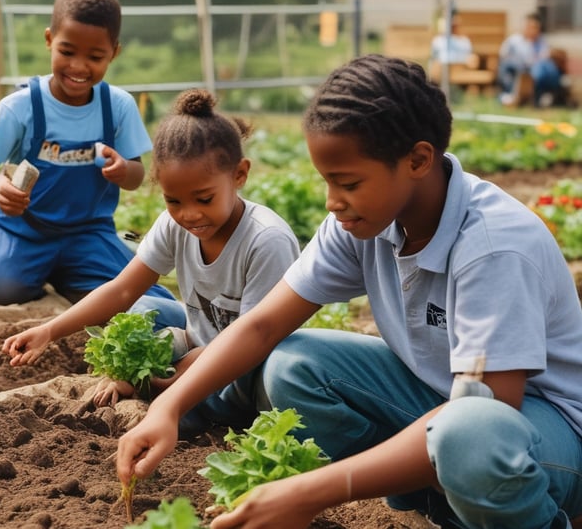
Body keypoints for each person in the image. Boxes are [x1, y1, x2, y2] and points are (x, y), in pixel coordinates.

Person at [116, 55, 582, 529]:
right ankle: (439, 494)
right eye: (327, 181)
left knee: (468, 439)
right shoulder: (362, 220)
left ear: (418, 160)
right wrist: (169, 407)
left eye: (349, 183)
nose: (331, 201)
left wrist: (309, 492)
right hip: (444, 401)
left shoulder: (492, 247)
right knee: (291, 365)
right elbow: (262, 324)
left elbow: (488, 409)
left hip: (540, 431)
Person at [2, 88, 300, 435]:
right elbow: (123, 290)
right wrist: (49, 331)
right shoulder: (175, 225)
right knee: (144, 306)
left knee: (169, 414)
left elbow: (245, 345)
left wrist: (149, 383)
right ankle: (157, 390)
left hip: (244, 372)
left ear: (239, 174)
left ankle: (179, 406)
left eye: (204, 198)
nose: (189, 214)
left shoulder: (266, 241)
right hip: (197, 343)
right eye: (173, 200)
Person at [0, 0, 179, 328]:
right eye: (67, 51)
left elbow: (137, 176)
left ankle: (68, 276)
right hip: (23, 229)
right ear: (49, 40)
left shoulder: (117, 106)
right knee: (5, 293)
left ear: (114, 53)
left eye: (95, 57)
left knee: (141, 297)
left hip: (87, 232)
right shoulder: (20, 107)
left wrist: (123, 169)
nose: (79, 67)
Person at [498, 12, 563, 107]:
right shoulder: (514, 40)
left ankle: (543, 96)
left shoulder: (541, 42)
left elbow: (543, 58)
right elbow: (503, 56)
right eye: (530, 26)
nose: (532, 30)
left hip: (535, 71)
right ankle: (510, 95)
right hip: (517, 70)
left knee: (547, 67)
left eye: (535, 27)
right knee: (509, 64)